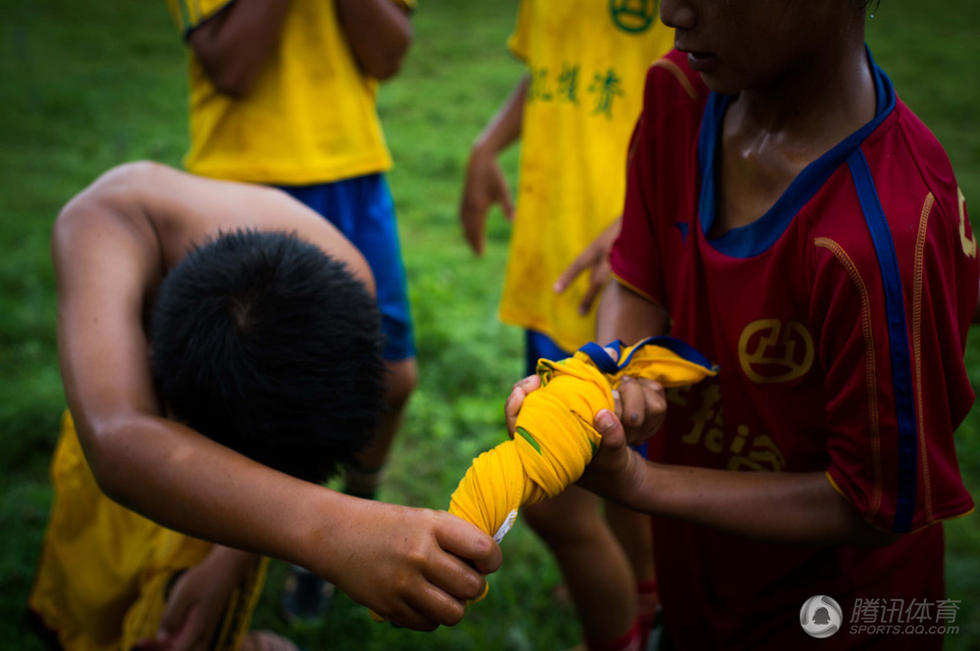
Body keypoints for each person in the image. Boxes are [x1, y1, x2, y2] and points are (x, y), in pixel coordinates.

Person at [521, 0, 976, 649]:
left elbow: (873, 503)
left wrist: (646, 482)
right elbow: (636, 277)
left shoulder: (888, 236)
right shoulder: (679, 91)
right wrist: (610, 373)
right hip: (698, 588)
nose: (670, 11)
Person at [28, 162, 501, 650]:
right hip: (119, 466)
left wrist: (230, 559)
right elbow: (119, 442)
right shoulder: (100, 225)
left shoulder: (344, 278)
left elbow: (281, 479)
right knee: (95, 583)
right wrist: (338, 530)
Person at [165, 0, 419, 618]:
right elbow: (232, 66)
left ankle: (345, 517)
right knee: (238, 399)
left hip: (351, 173)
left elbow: (387, 53)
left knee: (388, 377)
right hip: (241, 180)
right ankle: (213, 576)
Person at [459, 2, 672, 648]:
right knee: (602, 468)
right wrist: (487, 144)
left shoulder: (687, 17)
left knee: (584, 483)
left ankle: (634, 615)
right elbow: (554, 76)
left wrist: (642, 222)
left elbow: (718, 108)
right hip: (558, 264)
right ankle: (639, 587)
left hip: (628, 281)